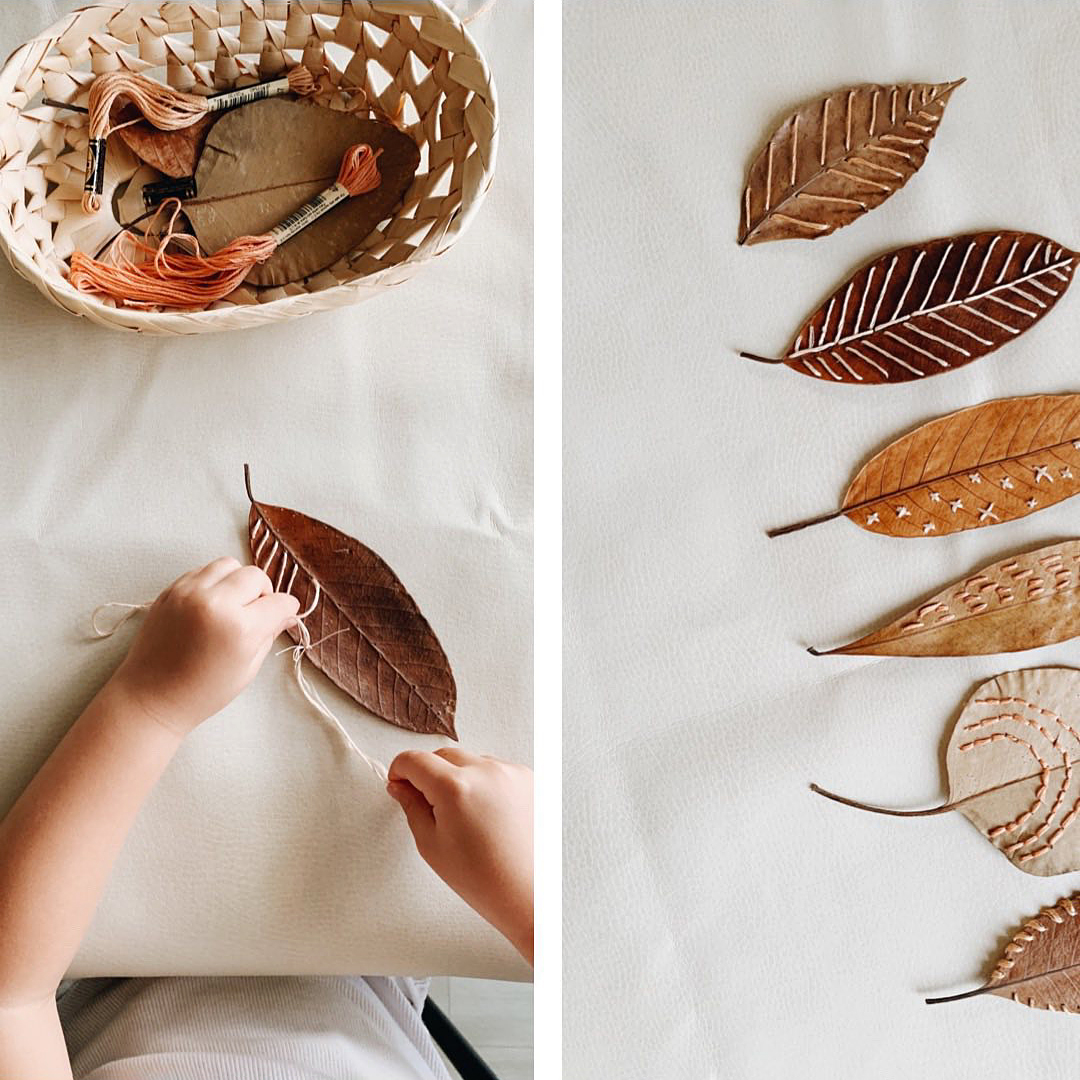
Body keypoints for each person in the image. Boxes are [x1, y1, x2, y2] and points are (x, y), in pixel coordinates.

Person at [0, 557, 533, 1080]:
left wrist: (148, 703)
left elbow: (10, 1000)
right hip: (366, 957)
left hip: (98, 951)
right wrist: (529, 890)